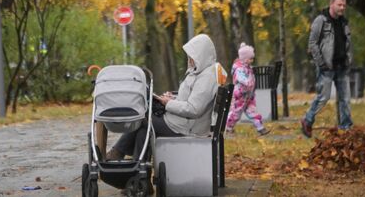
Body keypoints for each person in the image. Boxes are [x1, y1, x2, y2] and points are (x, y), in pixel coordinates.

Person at [105, 33, 219, 161]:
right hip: (182, 123)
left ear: (201, 55)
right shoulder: (202, 73)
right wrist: (173, 99)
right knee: (143, 133)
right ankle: (138, 174)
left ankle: (118, 152)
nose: (190, 59)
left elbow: (193, 109)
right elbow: (191, 100)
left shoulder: (206, 77)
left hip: (185, 128)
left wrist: (167, 104)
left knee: (141, 118)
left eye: (192, 56)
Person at [301, 0, 353, 138]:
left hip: (342, 67)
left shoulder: (344, 22)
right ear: (332, 4)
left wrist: (349, 60)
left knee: (345, 99)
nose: (342, 8)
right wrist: (321, 63)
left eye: (344, 5)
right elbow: (312, 43)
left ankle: (346, 128)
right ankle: (307, 119)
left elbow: (348, 43)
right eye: (339, 5)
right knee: (323, 98)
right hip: (327, 68)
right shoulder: (321, 20)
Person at [225, 43, 270, 136]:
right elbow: (241, 78)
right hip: (240, 95)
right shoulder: (239, 69)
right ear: (245, 59)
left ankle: (260, 128)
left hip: (249, 95)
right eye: (250, 58)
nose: (252, 60)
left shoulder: (248, 68)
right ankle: (228, 128)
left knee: (253, 111)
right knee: (235, 113)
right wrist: (247, 82)